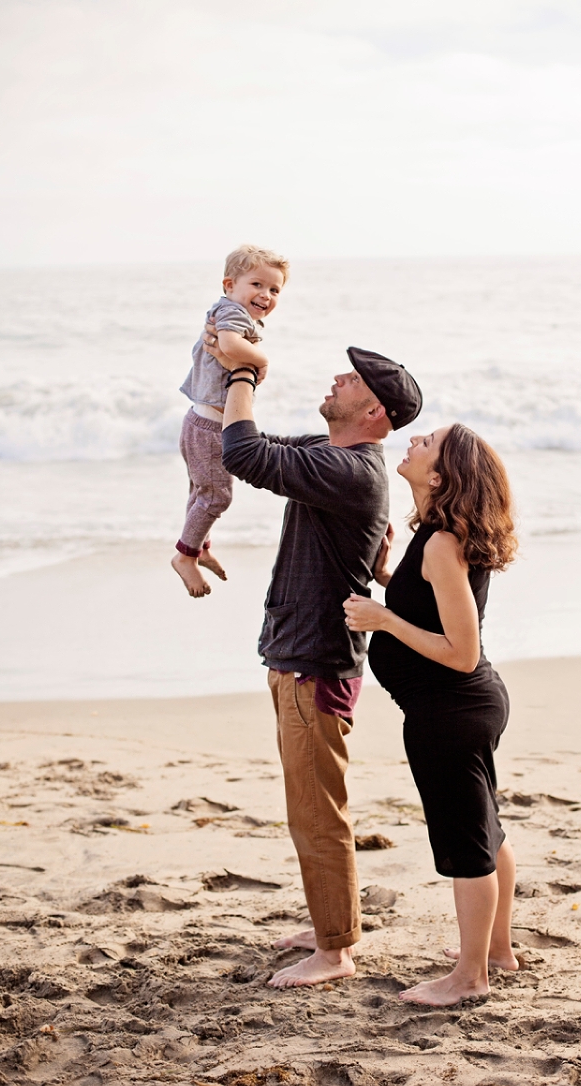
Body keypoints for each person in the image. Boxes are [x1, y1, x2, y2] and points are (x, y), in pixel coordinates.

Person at [209, 339, 422, 987]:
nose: (337, 377)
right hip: (298, 655)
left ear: (375, 414)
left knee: (317, 809)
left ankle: (335, 951)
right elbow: (253, 443)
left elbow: (244, 453)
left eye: (354, 379)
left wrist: (245, 369)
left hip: (316, 667)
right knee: (307, 804)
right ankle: (331, 922)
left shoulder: (352, 472)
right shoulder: (330, 455)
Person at [344, 423, 519, 1006]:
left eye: (428, 442)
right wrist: (389, 578)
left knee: (466, 840)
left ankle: (470, 978)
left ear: (441, 476)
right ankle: (497, 951)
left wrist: (383, 620)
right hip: (460, 710)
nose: (414, 440)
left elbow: (460, 653)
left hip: (451, 711)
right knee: (485, 827)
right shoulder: (437, 537)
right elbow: (435, 606)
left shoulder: (444, 544)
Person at [171, 244, 290, 598]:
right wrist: (262, 360)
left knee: (201, 491)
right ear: (229, 284)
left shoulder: (230, 311)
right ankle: (185, 557)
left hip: (199, 421)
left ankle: (200, 545)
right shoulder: (233, 316)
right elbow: (231, 346)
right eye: (256, 284)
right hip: (208, 427)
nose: (265, 295)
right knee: (216, 496)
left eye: (274, 290)